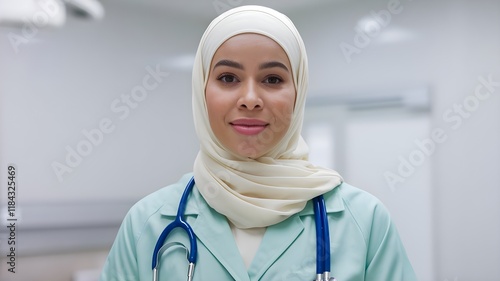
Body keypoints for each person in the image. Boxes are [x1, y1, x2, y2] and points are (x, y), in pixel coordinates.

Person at [99, 5, 417, 281]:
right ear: (201, 90)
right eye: (228, 78)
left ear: (298, 92)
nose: (250, 99)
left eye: (272, 79)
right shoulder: (147, 224)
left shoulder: (364, 222)